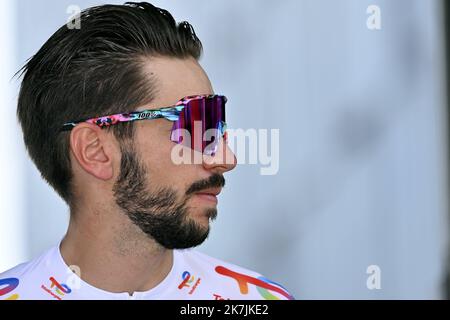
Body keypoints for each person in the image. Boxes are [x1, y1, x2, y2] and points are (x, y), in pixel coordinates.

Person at [0, 2, 293, 300]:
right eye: (195, 123)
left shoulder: (255, 299)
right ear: (95, 151)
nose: (226, 159)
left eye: (216, 124)